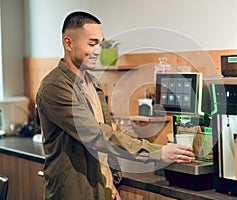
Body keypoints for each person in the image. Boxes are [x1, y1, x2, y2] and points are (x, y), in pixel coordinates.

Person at [36, 11, 195, 200]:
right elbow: (96, 136)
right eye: (92, 43)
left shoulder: (91, 84)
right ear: (68, 43)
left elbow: (104, 145)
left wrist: (110, 187)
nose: (98, 51)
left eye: (101, 44)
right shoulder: (55, 86)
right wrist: (157, 152)